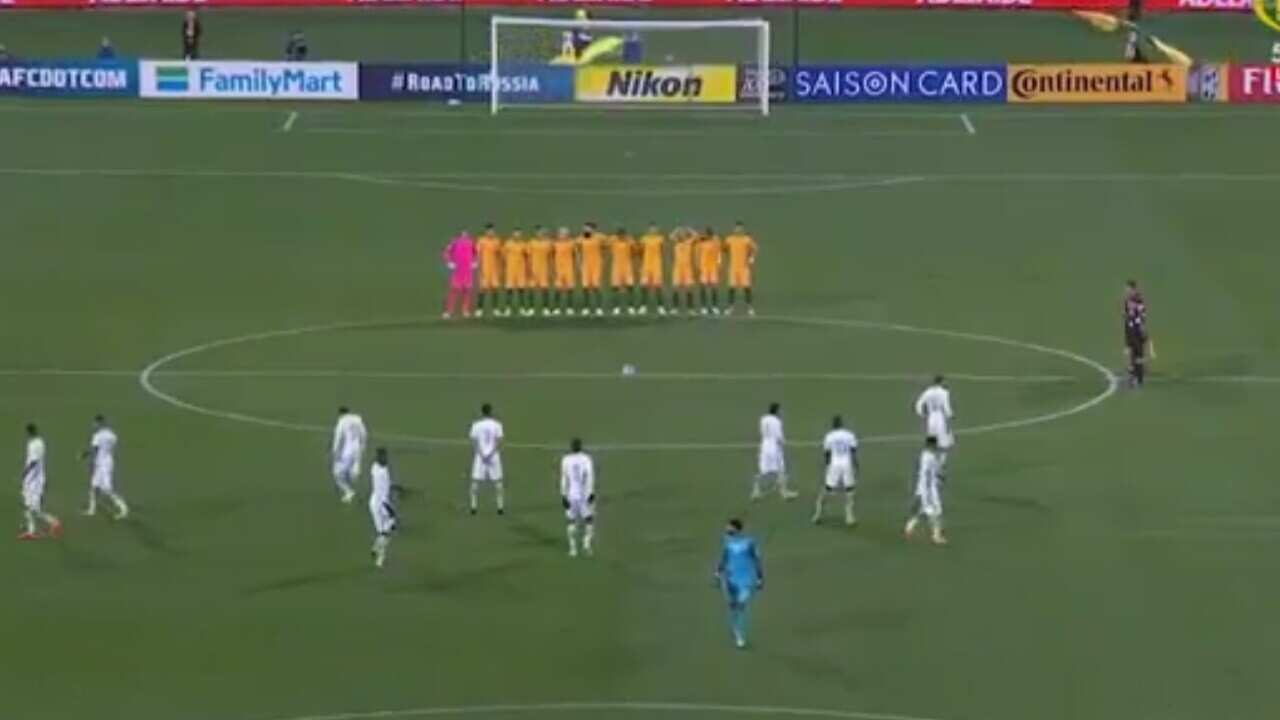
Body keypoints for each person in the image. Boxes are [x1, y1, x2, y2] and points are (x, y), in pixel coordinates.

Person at [714, 518, 763, 649]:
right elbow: (723, 559)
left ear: (737, 529)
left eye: (729, 529)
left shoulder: (749, 543)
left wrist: (759, 578)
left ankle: (740, 635)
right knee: (732, 606)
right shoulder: (727, 543)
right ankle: (734, 627)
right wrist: (717, 573)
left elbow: (757, 560)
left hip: (746, 580)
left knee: (741, 605)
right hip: (730, 579)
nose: (727, 530)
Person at [813, 415, 858, 526]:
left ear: (833, 425)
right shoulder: (849, 435)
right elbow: (853, 452)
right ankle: (849, 516)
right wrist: (856, 465)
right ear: (842, 424)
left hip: (834, 465)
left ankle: (818, 514)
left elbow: (827, 454)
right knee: (850, 491)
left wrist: (827, 466)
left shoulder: (829, 436)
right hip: (847, 465)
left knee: (827, 489)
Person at [19, 424, 62, 541]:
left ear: (28, 432)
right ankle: (30, 531)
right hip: (33, 479)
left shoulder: (33, 445)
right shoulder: (40, 442)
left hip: (34, 480)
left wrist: (24, 473)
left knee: (34, 509)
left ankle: (54, 522)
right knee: (28, 506)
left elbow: (33, 462)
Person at [81, 415, 128, 519]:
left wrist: (87, 459)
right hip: (108, 461)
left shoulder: (97, 436)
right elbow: (109, 447)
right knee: (94, 486)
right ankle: (91, 510)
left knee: (107, 489)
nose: (93, 425)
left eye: (95, 423)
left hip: (102, 464)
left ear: (99, 423)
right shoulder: (112, 434)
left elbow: (95, 450)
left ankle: (123, 508)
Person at [750, 402, 797, 502]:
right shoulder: (777, 421)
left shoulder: (763, 419)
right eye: (780, 410)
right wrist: (784, 443)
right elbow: (779, 436)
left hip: (764, 446)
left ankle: (755, 491)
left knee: (763, 471)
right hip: (774, 447)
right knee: (781, 470)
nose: (781, 412)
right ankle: (784, 493)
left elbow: (762, 432)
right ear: (776, 410)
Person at [904, 436, 946, 545]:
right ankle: (936, 536)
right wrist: (928, 491)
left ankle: (909, 527)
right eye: (935, 445)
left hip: (924, 488)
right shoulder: (930, 457)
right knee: (936, 512)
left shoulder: (924, 455)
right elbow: (927, 474)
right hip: (929, 490)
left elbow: (924, 471)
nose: (936, 447)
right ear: (932, 445)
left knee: (923, 510)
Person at [560, 438, 595, 557]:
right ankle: (586, 543)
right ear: (581, 446)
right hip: (584, 495)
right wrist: (591, 493)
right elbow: (589, 477)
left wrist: (563, 495)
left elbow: (564, 479)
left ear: (571, 447)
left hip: (571, 494)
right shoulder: (586, 459)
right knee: (589, 520)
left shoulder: (566, 460)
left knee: (571, 521)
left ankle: (573, 549)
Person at [468, 403, 505, 515]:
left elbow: (474, 442)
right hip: (494, 456)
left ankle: (473, 507)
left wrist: (482, 454)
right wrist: (491, 453)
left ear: (481, 412)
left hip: (480, 457)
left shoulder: (476, 425)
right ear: (491, 412)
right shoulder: (497, 425)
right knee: (498, 482)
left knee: (475, 482)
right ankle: (500, 507)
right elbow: (499, 441)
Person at [914, 375, 954, 472]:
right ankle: (940, 465)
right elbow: (946, 406)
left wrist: (921, 414)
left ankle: (928, 465)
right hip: (940, 419)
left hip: (931, 419)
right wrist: (951, 415)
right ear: (941, 382)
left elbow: (918, 404)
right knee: (944, 443)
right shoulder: (944, 393)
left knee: (931, 442)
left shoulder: (928, 392)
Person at [331, 406, 367, 504]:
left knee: (336, 473)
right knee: (354, 473)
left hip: (348, 451)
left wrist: (335, 452)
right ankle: (359, 493)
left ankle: (349, 492)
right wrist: (363, 445)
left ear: (340, 414)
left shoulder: (341, 422)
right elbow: (364, 433)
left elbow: (337, 438)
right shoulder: (357, 419)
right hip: (358, 449)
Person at [369, 448, 397, 568]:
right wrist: (392, 513)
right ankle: (378, 551)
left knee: (385, 532)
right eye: (383, 457)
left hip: (375, 501)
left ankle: (378, 553)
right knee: (387, 531)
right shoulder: (382, 472)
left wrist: (395, 487)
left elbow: (387, 484)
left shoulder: (375, 467)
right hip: (380, 504)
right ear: (379, 458)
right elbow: (383, 496)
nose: (386, 459)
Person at [724, 222, 758, 316]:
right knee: (732, 288)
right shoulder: (729, 239)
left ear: (743, 230)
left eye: (740, 229)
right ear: (734, 229)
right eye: (737, 228)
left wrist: (752, 257)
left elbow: (754, 248)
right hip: (733, 268)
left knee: (747, 288)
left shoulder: (747, 239)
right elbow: (725, 248)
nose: (738, 230)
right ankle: (730, 308)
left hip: (744, 268)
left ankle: (750, 308)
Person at [442, 230, 477, 319]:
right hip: (457, 271)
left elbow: (476, 253)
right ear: (459, 235)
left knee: (467, 291)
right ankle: (448, 311)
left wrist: (475, 262)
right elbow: (446, 252)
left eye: (466, 235)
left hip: (467, 271)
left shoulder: (471, 243)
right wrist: (449, 262)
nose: (464, 236)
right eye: (463, 235)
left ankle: (465, 311)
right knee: (453, 290)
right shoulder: (454, 242)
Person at [1123, 280, 1150, 388]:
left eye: (1128, 288)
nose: (1126, 290)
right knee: (1131, 352)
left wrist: (1142, 328)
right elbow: (1126, 314)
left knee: (1138, 354)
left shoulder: (1138, 300)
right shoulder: (1127, 300)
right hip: (1129, 329)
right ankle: (1133, 375)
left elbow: (1142, 314)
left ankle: (1139, 378)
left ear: (1133, 289)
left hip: (1137, 330)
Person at [475, 223, 503, 318]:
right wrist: (479, 267)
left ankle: (495, 309)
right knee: (482, 289)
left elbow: (499, 254)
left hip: (494, 269)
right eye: (489, 231)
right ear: (486, 231)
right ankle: (479, 309)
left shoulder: (497, 241)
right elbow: (478, 255)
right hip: (484, 268)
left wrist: (500, 268)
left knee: (495, 289)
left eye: (492, 231)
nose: (491, 232)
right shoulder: (481, 241)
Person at [638, 223, 666, 316]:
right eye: (651, 229)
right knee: (644, 287)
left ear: (657, 230)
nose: (653, 230)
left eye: (654, 229)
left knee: (658, 287)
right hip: (646, 265)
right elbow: (641, 252)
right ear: (648, 229)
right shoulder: (644, 239)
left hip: (656, 266)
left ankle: (660, 307)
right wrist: (641, 265)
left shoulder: (660, 239)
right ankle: (643, 306)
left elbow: (662, 251)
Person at [578, 222, 605, 316]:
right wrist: (579, 262)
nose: (585, 230)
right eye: (584, 228)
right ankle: (586, 308)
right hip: (585, 265)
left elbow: (606, 245)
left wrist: (602, 258)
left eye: (587, 228)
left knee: (596, 287)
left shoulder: (600, 238)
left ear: (593, 229)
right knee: (585, 287)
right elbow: (577, 249)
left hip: (596, 265)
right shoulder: (581, 239)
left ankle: (599, 308)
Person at [608, 227, 637, 315]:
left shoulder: (629, 241)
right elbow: (605, 243)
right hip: (616, 267)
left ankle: (631, 307)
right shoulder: (613, 241)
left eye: (623, 234)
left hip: (627, 267)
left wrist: (631, 241)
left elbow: (635, 250)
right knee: (615, 288)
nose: (621, 236)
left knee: (630, 287)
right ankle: (616, 307)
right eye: (619, 235)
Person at [526, 226, 554, 316]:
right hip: (534, 268)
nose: (540, 234)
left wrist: (550, 269)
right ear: (536, 233)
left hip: (544, 269)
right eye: (538, 232)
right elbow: (528, 257)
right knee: (532, 289)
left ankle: (545, 308)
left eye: (541, 232)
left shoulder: (548, 243)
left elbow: (551, 257)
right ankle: (530, 308)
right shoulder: (531, 243)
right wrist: (529, 268)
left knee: (544, 289)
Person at [696, 227, 724, 315]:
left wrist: (719, 264)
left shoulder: (716, 242)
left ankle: (714, 307)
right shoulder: (701, 243)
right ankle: (703, 307)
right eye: (707, 234)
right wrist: (698, 267)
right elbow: (698, 255)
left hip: (713, 268)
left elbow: (719, 253)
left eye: (710, 234)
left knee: (714, 287)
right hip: (704, 267)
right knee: (703, 287)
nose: (709, 236)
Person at [669, 226, 697, 314]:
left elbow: (696, 235)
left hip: (687, 269)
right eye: (680, 234)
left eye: (684, 234)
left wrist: (689, 229)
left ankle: (690, 309)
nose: (682, 236)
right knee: (675, 288)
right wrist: (677, 229)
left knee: (689, 289)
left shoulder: (689, 242)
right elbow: (671, 236)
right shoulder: (676, 243)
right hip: (677, 269)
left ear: (686, 236)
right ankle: (675, 308)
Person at [502, 227, 529, 317]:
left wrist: (526, 267)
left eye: (519, 234)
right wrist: (505, 266)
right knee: (509, 289)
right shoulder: (508, 244)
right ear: (513, 234)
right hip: (510, 270)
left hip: (520, 270)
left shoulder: (523, 244)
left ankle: (521, 308)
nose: (517, 235)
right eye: (516, 233)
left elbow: (527, 255)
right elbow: (503, 256)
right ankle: (508, 308)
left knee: (521, 289)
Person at [552, 227, 578, 316]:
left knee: (570, 289)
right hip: (559, 269)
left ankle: (570, 308)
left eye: (565, 234)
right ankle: (556, 308)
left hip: (569, 269)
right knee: (558, 289)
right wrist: (553, 268)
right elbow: (551, 256)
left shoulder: (571, 244)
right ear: (558, 235)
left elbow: (576, 255)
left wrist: (576, 266)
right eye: (561, 234)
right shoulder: (555, 244)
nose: (563, 236)